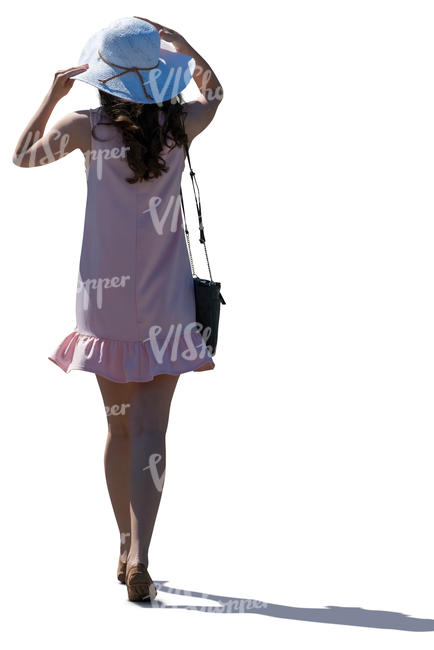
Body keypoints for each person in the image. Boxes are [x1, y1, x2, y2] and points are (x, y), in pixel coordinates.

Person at [12, 16, 224, 602]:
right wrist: (182, 45)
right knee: (154, 430)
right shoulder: (181, 125)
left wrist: (53, 92)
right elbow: (217, 93)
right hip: (167, 300)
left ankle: (123, 546)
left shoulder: (86, 127)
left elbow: (23, 156)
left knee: (119, 427)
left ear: (104, 79)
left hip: (104, 302)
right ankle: (144, 554)